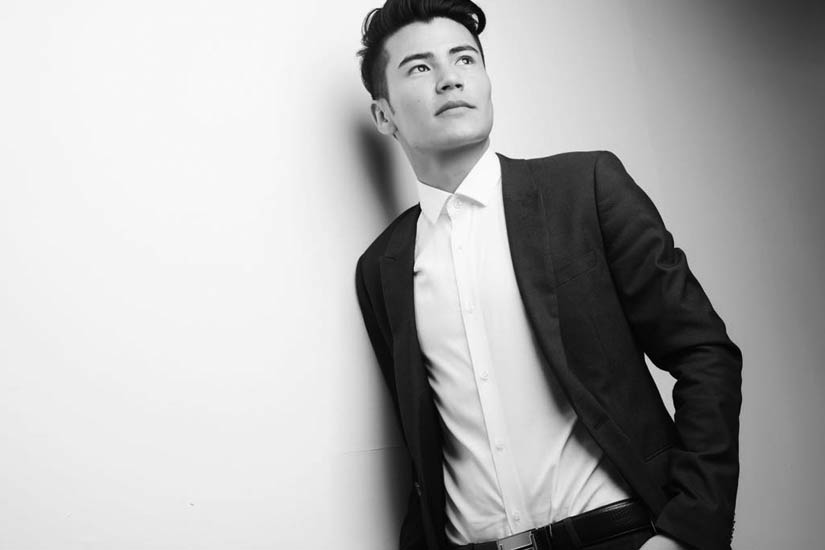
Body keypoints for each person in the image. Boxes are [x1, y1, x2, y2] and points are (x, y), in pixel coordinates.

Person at [353, 2, 742, 549]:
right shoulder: (382, 267)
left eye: (464, 59)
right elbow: (421, 448)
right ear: (384, 116)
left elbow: (704, 352)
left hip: (619, 534)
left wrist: (689, 531)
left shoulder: (584, 189)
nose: (449, 79)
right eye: (419, 67)